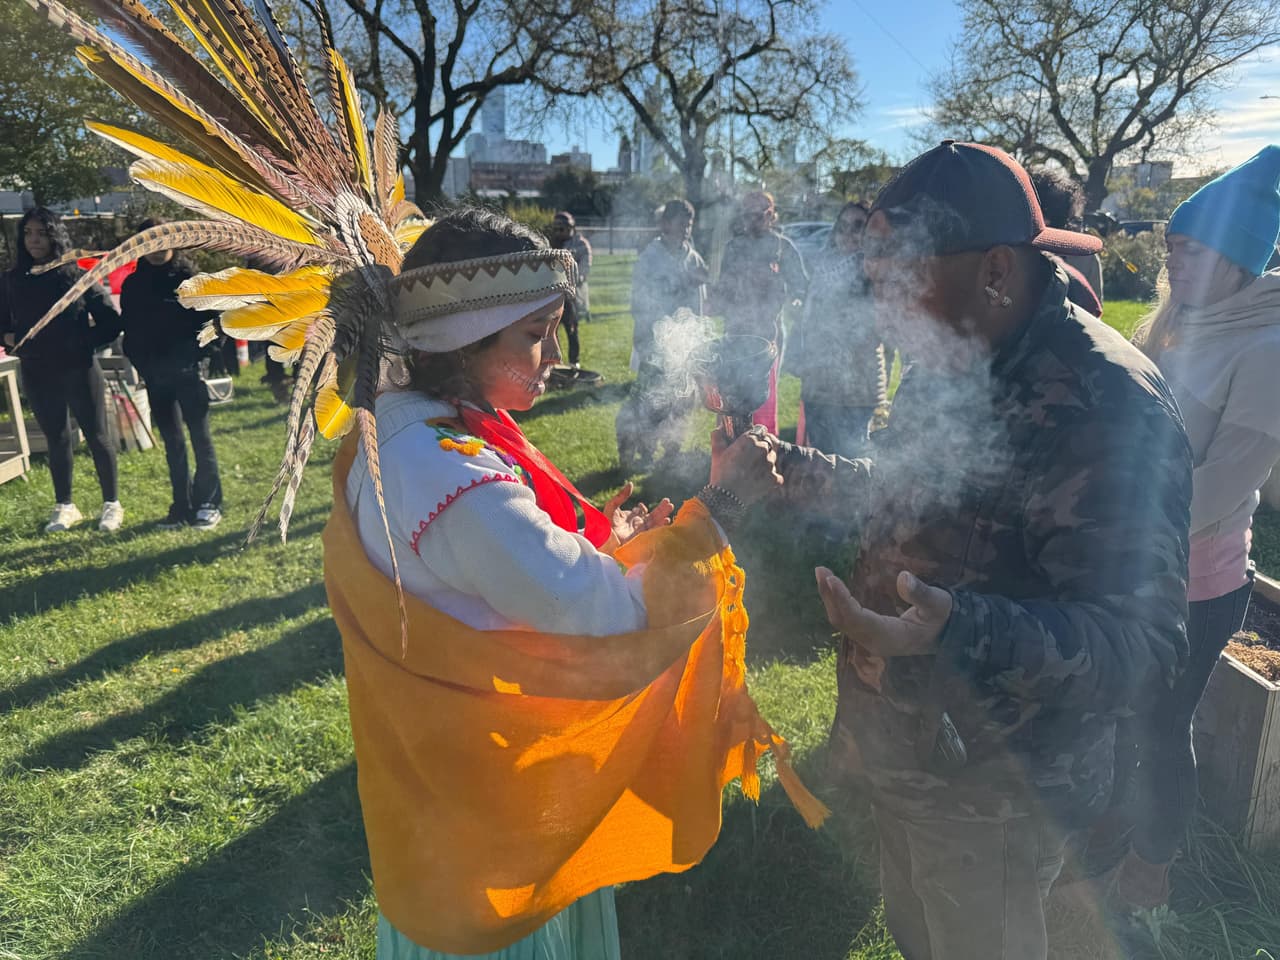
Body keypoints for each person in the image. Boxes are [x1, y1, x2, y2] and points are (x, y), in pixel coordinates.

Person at [333, 206, 826, 959]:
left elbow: (505, 575)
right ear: (458, 339)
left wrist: (610, 541)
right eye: (533, 335)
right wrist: (719, 508)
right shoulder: (451, 472)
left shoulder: (407, 425)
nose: (554, 355)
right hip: (494, 817)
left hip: (449, 790)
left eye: (554, 329)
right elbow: (612, 617)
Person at [769, 141, 1192, 959]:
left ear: (996, 270)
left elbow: (1142, 648)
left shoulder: (1109, 407)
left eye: (900, 284)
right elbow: (911, 492)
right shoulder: (958, 353)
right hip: (912, 763)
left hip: (997, 796)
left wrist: (958, 630)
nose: (879, 312)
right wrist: (791, 469)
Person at [1112, 144, 1280, 907]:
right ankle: (1113, 841)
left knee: (1159, 724)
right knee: (1120, 711)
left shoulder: (1265, 347)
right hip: (1130, 561)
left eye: (1194, 247)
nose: (1175, 260)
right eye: (1172, 246)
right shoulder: (1174, 325)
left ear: (1238, 257)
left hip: (1197, 578)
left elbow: (1225, 486)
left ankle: (1153, 875)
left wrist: (1119, 525)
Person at [0, 207, 124, 532]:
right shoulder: (12, 280)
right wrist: (10, 338)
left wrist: (81, 342)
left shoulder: (76, 276)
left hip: (77, 368)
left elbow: (111, 322)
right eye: (28, 233)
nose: (34, 240)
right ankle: (65, 505)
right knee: (56, 439)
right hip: (37, 370)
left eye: (41, 233)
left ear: (55, 235)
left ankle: (111, 504)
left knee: (97, 436)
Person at [118, 218, 224, 529]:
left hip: (189, 372)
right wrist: (143, 366)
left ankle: (209, 502)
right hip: (155, 376)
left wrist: (198, 359)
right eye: (148, 241)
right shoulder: (133, 284)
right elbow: (131, 332)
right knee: (173, 442)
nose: (155, 248)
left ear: (174, 241)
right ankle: (182, 506)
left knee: (200, 438)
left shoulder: (191, 279)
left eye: (161, 240)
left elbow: (216, 325)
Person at [617, 199, 710, 467]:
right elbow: (640, 303)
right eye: (681, 223)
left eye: (689, 224)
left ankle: (671, 453)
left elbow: (700, 304)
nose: (686, 229)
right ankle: (636, 451)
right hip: (654, 344)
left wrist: (697, 340)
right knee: (649, 401)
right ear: (665, 224)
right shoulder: (649, 259)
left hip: (685, 347)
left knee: (681, 401)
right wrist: (651, 339)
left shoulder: (693, 258)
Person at [789, 201, 884, 459]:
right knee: (820, 460)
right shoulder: (822, 269)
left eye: (857, 227)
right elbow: (807, 321)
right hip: (818, 381)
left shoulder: (875, 272)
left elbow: (880, 327)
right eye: (842, 227)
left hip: (855, 385)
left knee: (850, 462)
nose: (847, 234)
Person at [710, 191, 807, 433]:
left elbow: (801, 286)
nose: (752, 221)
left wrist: (793, 300)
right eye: (747, 215)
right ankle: (729, 452)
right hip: (735, 334)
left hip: (767, 336)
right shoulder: (734, 247)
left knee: (762, 400)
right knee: (730, 399)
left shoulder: (782, 248)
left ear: (771, 216)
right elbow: (724, 289)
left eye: (758, 215)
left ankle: (761, 456)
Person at [1030, 166, 1104, 305]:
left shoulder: (1086, 258)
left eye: (1077, 221)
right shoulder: (1086, 258)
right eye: (1073, 221)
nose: (1076, 228)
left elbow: (1094, 312)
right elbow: (1094, 313)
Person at [548, 211, 592, 367]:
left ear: (571, 227)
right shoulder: (550, 243)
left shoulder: (581, 244)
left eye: (562, 229)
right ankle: (554, 363)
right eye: (557, 229)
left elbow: (584, 269)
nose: (559, 233)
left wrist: (569, 281)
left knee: (572, 329)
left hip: (571, 296)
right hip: (552, 296)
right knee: (551, 331)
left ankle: (574, 362)